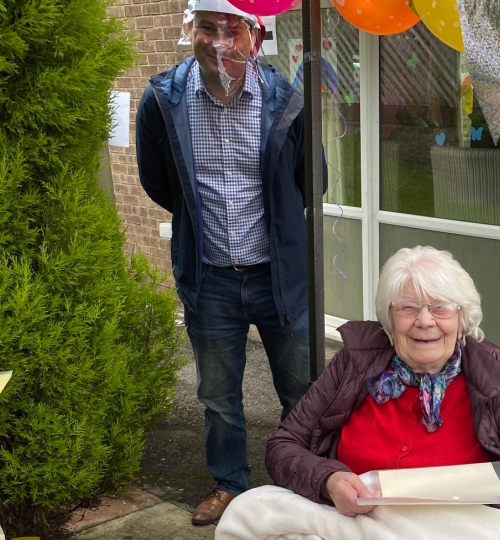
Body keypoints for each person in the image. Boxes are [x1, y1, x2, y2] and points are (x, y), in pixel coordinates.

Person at [215, 245, 500, 538]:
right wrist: (329, 480)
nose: (425, 321)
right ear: (389, 320)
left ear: (462, 317)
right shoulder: (356, 361)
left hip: (443, 528)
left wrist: (463, 510)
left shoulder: (496, 375)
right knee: (245, 512)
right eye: (408, 307)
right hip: (345, 517)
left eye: (440, 306)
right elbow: (283, 445)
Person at [135, 0, 325, 526]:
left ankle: (302, 478)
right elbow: (157, 181)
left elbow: (315, 182)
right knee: (218, 396)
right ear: (190, 31)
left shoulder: (286, 98)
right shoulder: (162, 101)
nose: (220, 40)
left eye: (232, 28)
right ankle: (229, 486)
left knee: (303, 391)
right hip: (210, 277)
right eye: (207, 27)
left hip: (278, 277)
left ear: (255, 36)